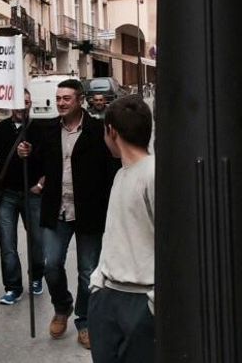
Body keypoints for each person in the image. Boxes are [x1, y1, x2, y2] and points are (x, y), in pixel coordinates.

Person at [18, 79, 119, 349]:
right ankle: (61, 306)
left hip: (89, 212)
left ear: (80, 100)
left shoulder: (98, 131)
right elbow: (36, 161)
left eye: (66, 98)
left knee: (88, 271)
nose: (60, 103)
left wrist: (112, 207)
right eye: (58, 98)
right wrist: (24, 153)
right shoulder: (47, 129)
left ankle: (84, 321)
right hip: (56, 210)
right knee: (51, 265)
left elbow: (111, 169)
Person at [87, 95, 155, 363]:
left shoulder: (153, 174)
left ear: (111, 131)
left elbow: (174, 245)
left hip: (141, 301)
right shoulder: (121, 174)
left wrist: (153, 303)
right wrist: (98, 284)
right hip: (109, 296)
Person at [0, 89, 44, 305]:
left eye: (27, 102)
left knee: (38, 242)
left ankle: (37, 276)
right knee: (7, 243)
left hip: (33, 194)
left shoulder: (40, 129)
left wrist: (41, 183)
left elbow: (52, 160)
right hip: (7, 195)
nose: (22, 107)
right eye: (18, 102)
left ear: (31, 104)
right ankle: (13, 287)